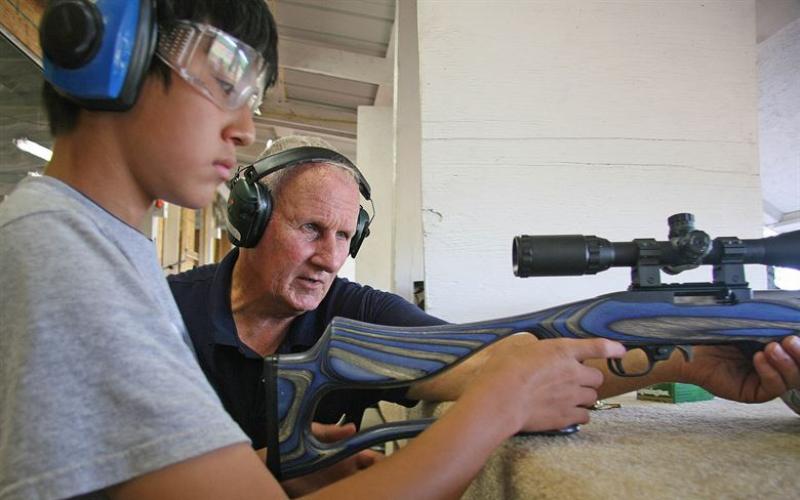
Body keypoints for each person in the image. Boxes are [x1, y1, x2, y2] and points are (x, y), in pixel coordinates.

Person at [0, 1, 629, 499]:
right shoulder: (63, 251)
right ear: (113, 55)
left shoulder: (100, 246)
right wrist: (496, 410)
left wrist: (267, 468)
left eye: (343, 237)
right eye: (223, 84)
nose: (244, 127)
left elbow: (477, 357)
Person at [169, 135, 800, 479]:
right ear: (247, 221)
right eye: (310, 229)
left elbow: (502, 365)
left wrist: (684, 360)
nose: (329, 258)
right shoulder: (164, 313)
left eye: (344, 237)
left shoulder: (356, 311)